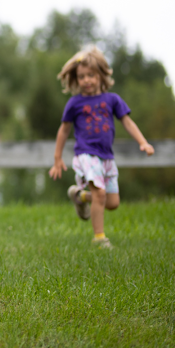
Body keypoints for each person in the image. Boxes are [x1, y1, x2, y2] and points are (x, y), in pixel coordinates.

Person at [48, 47, 154, 249]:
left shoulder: (112, 100)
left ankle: (79, 196)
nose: (86, 80)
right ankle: (99, 238)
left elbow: (128, 123)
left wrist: (143, 142)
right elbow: (63, 131)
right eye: (81, 77)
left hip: (106, 157)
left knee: (112, 202)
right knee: (100, 194)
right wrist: (57, 158)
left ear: (101, 75)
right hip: (86, 155)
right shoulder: (74, 103)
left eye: (91, 75)